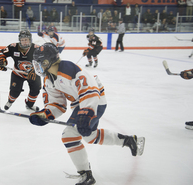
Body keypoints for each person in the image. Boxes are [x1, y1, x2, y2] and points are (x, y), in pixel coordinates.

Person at [29, 43, 145, 185]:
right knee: (90, 136)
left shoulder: (71, 71)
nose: (38, 66)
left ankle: (86, 175)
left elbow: (90, 92)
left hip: (95, 100)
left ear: (49, 61)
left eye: (41, 62)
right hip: (80, 104)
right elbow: (57, 104)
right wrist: (44, 115)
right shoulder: (49, 79)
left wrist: (86, 114)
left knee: (69, 136)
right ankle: (128, 140)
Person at [0, 30, 40, 111]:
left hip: (33, 74)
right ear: (19, 40)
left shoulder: (36, 48)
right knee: (14, 91)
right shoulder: (13, 47)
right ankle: (10, 101)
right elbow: (2, 52)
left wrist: (36, 70)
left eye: (26, 40)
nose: (24, 42)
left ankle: (29, 105)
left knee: (35, 90)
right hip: (18, 73)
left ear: (30, 40)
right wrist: (2, 61)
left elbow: (44, 61)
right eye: (22, 40)